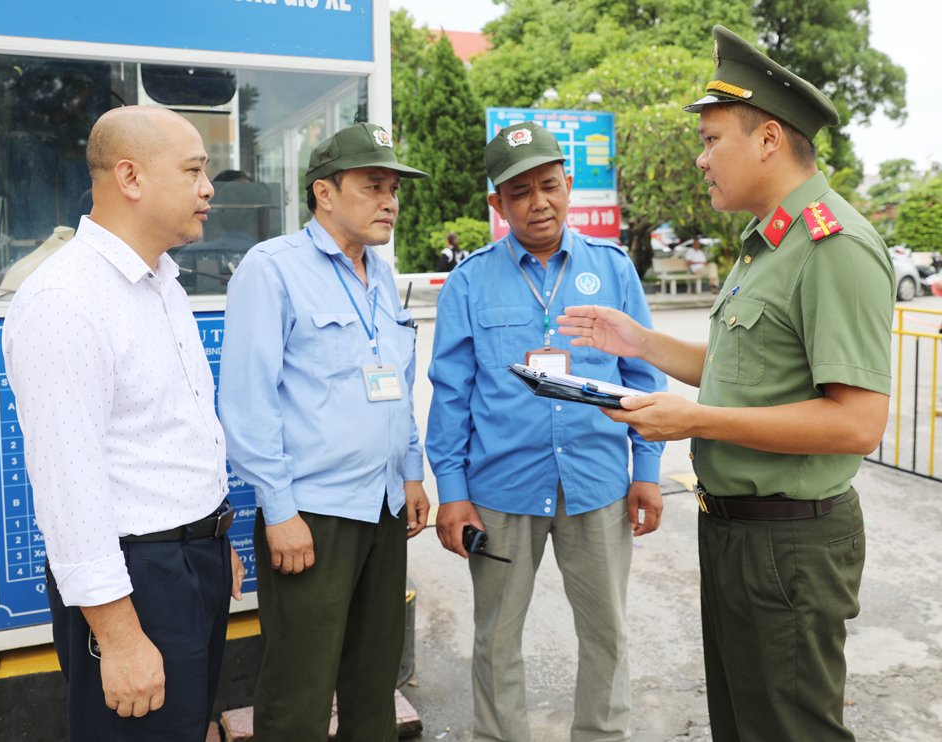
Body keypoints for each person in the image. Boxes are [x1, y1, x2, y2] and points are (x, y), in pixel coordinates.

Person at [558, 26, 894, 742]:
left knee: (789, 729)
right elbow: (750, 375)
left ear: (768, 139)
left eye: (712, 140)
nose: (701, 157)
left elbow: (856, 424)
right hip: (738, 532)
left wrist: (695, 422)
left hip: (790, 544)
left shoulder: (833, 245)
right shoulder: (767, 243)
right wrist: (640, 341)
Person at [2, 106, 246, 742]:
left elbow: (172, 433)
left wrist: (214, 539)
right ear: (131, 178)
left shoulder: (161, 280)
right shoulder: (66, 300)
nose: (208, 188)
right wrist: (120, 637)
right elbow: (68, 491)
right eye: (193, 170)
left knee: (184, 727)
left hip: (194, 559)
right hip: (139, 582)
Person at [427, 121, 667, 742]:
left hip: (600, 483)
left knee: (607, 632)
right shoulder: (470, 281)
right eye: (521, 192)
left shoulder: (612, 268)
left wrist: (647, 473)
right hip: (501, 489)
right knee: (497, 637)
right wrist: (451, 491)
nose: (539, 203)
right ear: (497, 204)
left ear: (568, 187)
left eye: (550, 186)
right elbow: (452, 394)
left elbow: (642, 375)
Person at [219, 122, 432, 742]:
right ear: (325, 193)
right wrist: (279, 510)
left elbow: (396, 381)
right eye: (373, 185)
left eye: (394, 188)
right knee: (300, 689)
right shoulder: (273, 269)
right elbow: (246, 403)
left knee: (374, 682)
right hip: (312, 517)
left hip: (386, 508)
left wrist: (412, 473)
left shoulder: (382, 276)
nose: (390, 200)